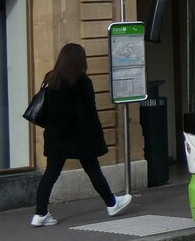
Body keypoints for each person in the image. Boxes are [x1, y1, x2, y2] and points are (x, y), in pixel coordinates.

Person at [31, 43, 132, 227]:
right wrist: (95, 138)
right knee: (93, 170)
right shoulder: (83, 82)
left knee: (50, 174)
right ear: (80, 61)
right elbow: (89, 113)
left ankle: (40, 214)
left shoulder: (51, 78)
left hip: (55, 135)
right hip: (79, 137)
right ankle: (112, 203)